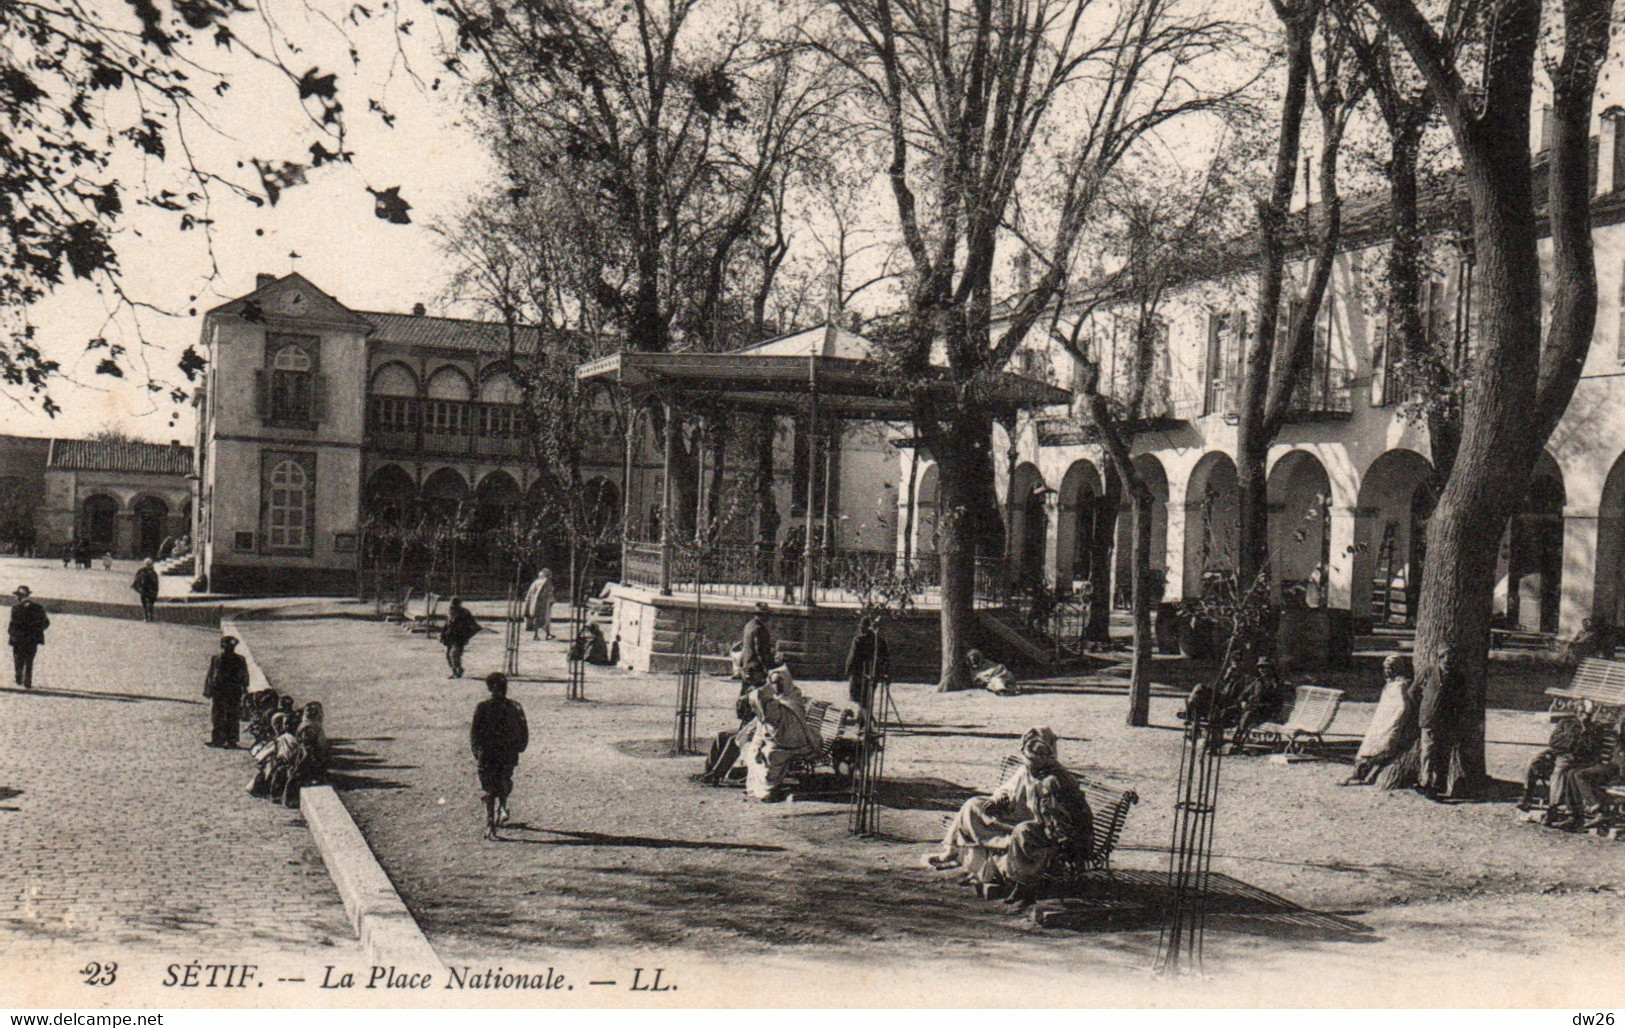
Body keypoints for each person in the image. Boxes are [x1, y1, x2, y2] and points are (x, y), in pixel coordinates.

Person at [924, 726, 1093, 909]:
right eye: (1028, 762)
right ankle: (952, 851)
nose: (1029, 766)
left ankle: (1023, 888)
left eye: (1033, 763)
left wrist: (1055, 832)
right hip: (1022, 819)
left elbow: (1061, 818)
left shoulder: (1055, 780)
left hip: (1052, 830)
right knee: (974, 804)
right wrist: (1000, 799)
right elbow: (1007, 788)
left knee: (1024, 831)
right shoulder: (1027, 770)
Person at [737, 670, 819, 801]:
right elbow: (763, 724)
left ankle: (768, 789)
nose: (777, 686)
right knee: (754, 752)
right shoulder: (772, 702)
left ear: (786, 681)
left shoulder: (793, 698)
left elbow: (794, 729)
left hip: (797, 742)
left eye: (780, 682)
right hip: (777, 741)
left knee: (770, 755)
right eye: (773, 683)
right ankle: (759, 789)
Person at [1344, 654, 1420, 786]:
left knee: (1381, 748)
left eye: (1391, 668)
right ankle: (1359, 774)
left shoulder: (1400, 685)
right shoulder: (1390, 685)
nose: (1387, 671)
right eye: (1386, 668)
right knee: (1368, 747)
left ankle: (1365, 775)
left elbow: (1401, 706)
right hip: (1381, 721)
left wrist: (1394, 721)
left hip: (1392, 722)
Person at [470, 671, 529, 840]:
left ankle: (497, 814)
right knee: (495, 785)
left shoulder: (508, 707)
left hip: (499, 753)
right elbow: (475, 731)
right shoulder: (509, 707)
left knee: (495, 785)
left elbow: (523, 730)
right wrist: (477, 750)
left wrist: (519, 747)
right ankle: (492, 821)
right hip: (495, 753)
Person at [1228, 655, 1287, 753]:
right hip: (1249, 708)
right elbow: (1243, 695)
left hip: (1265, 712)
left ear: (1271, 669)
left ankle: (1236, 743)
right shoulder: (1256, 681)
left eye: (1265, 667)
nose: (1262, 670)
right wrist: (1243, 702)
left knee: (1248, 715)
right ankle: (1215, 740)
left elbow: (1278, 702)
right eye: (1260, 667)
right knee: (1226, 711)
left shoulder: (1276, 683)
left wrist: (1274, 712)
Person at [204, 635, 251, 748]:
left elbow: (244, 675)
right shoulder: (216, 659)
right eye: (226, 647)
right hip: (219, 690)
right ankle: (217, 739)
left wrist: (245, 689)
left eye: (230, 647)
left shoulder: (240, 659)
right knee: (217, 715)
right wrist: (208, 689)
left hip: (233, 690)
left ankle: (232, 740)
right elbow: (211, 674)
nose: (227, 650)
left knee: (233, 714)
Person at [844, 615, 891, 714]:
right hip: (874, 673)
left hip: (859, 674)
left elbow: (852, 657)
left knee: (861, 698)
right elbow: (886, 658)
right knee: (868, 697)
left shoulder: (859, 640)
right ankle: (863, 720)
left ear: (863, 627)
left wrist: (848, 670)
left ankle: (866, 721)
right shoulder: (881, 641)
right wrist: (885, 673)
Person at [7, 585, 49, 689]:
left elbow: (13, 625)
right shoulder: (38, 608)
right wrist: (37, 630)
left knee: (18, 659)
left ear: (20, 597)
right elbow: (46, 622)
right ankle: (28, 681)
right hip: (33, 639)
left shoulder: (16, 608)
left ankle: (19, 678)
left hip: (19, 638)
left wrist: (12, 634)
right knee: (29, 660)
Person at [441, 597, 481, 679]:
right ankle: (455, 671)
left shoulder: (464, 613)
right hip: (449, 637)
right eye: (451, 603)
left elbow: (475, 627)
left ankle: (458, 671)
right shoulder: (450, 612)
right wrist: (442, 635)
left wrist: (466, 636)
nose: (452, 605)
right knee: (448, 655)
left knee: (454, 655)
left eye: (454, 603)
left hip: (459, 638)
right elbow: (447, 625)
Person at [739, 602, 775, 692]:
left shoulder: (749, 625)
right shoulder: (759, 628)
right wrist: (766, 667)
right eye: (767, 615)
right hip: (755, 668)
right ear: (762, 615)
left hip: (747, 664)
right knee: (758, 695)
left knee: (746, 693)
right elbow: (759, 650)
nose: (769, 617)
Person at [523, 568, 555, 641]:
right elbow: (549, 593)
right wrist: (551, 601)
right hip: (544, 603)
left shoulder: (535, 582)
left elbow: (530, 593)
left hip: (535, 603)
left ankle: (537, 634)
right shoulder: (546, 582)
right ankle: (546, 634)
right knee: (545, 619)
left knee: (537, 618)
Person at [132, 558, 160, 622]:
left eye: (150, 564)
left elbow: (156, 583)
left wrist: (155, 592)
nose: (149, 566)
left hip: (150, 590)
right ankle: (147, 617)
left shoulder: (153, 573)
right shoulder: (142, 571)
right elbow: (137, 579)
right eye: (148, 564)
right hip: (144, 590)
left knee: (150, 604)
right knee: (145, 604)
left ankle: (150, 617)